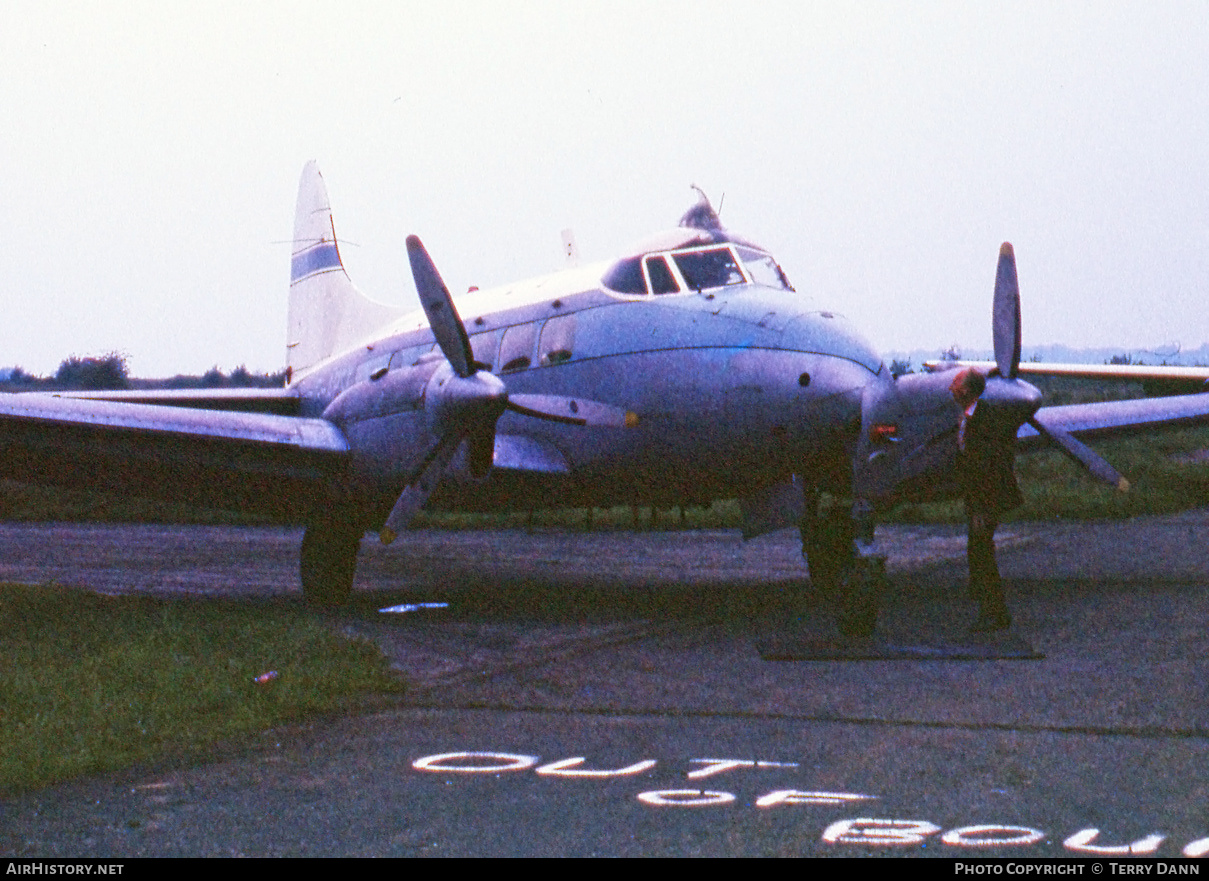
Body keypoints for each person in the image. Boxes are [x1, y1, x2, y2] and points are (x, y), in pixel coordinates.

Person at [950, 368, 1023, 633]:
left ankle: (995, 612)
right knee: (978, 550)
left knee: (982, 553)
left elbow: (986, 466)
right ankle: (989, 608)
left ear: (967, 391)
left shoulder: (983, 420)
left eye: (956, 383)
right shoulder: (971, 417)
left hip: (985, 499)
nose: (950, 387)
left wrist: (981, 507)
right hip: (978, 499)